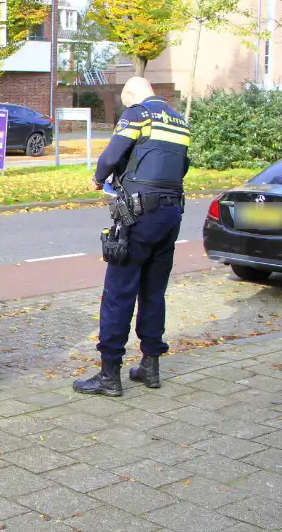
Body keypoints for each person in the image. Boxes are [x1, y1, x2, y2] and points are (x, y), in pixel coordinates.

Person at [73, 77, 190, 397]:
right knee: (154, 292)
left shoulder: (137, 114)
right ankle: (150, 368)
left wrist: (98, 179)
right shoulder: (179, 121)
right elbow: (182, 166)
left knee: (118, 293)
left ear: (132, 97)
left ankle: (110, 375)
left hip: (139, 217)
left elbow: (113, 155)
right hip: (171, 216)